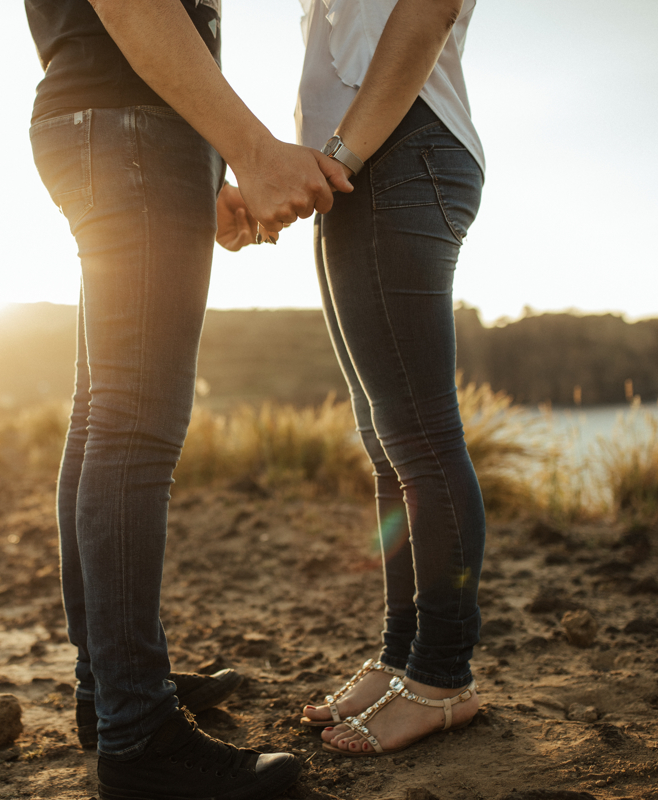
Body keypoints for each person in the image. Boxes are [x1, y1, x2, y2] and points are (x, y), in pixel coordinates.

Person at [23, 1, 352, 797]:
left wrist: (204, 169)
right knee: (133, 430)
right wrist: (254, 151)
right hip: (129, 125)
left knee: (103, 416)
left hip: (116, 124)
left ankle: (110, 694)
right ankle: (140, 740)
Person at [220, 0, 487, 756]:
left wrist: (335, 154)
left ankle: (441, 681)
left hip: (397, 151)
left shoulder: (368, 150)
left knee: (421, 438)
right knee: (388, 441)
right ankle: (403, 657)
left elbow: (429, 9)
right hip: (362, 166)